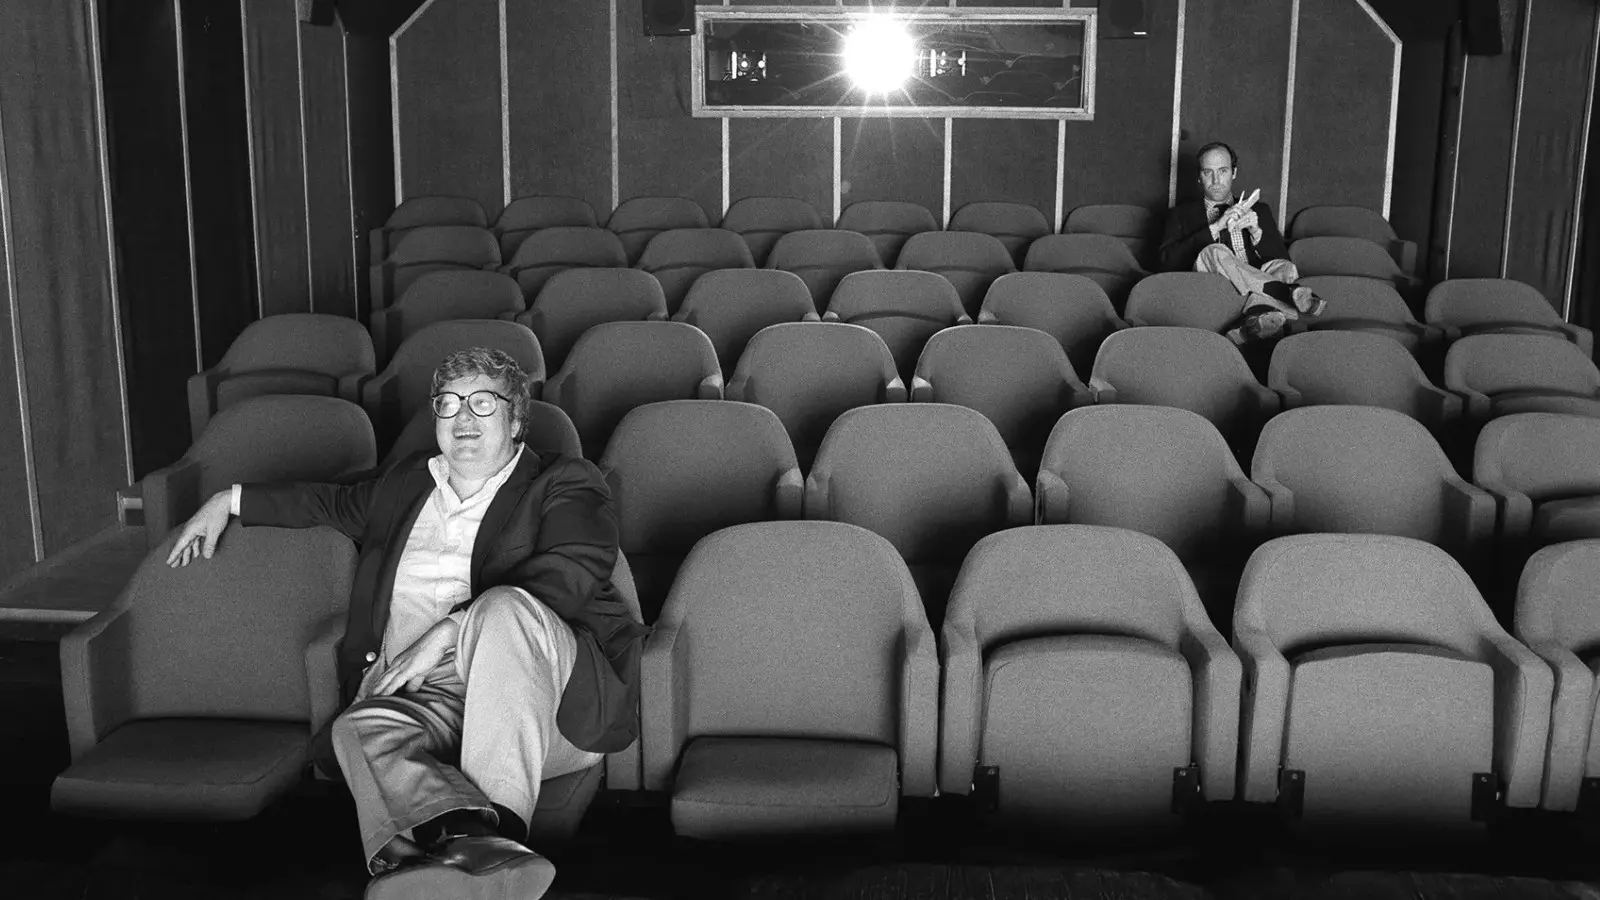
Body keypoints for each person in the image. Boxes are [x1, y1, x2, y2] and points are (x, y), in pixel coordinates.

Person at [167, 347, 643, 900]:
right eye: (448, 404)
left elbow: (571, 571)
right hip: (432, 697)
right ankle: (472, 850)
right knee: (356, 728)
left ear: (515, 421)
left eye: (483, 403)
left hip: (547, 697)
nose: (463, 417)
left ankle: (493, 848)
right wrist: (228, 500)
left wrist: (449, 629)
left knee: (502, 606)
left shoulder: (565, 482)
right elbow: (323, 500)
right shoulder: (404, 486)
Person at [1159, 141, 1324, 344]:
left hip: (1255, 292)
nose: (1216, 179)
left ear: (1234, 173)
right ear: (1199, 177)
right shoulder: (1180, 215)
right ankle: (1282, 293)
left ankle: (1250, 325)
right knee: (1213, 251)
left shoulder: (1260, 210)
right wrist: (1215, 227)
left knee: (1285, 266)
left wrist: (1257, 233)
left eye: (1223, 171)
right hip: (1217, 291)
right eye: (1207, 172)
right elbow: (1164, 262)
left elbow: (1282, 261)